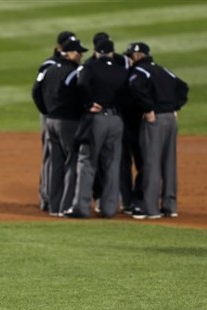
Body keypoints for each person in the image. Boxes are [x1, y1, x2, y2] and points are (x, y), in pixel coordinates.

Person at [64, 39, 129, 218]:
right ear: (112, 52)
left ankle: (81, 208)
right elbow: (127, 94)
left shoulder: (90, 67)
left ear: (96, 52)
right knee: (112, 164)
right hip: (116, 120)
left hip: (96, 120)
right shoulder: (121, 70)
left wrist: (90, 103)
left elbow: (81, 84)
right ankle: (109, 209)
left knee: (87, 162)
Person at [124, 42, 189, 219]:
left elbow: (137, 89)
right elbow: (182, 87)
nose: (129, 59)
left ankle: (150, 208)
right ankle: (170, 206)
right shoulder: (163, 70)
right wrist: (174, 106)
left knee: (151, 164)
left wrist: (148, 109)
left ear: (137, 56)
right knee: (169, 162)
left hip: (155, 120)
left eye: (130, 56)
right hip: (170, 119)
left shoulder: (139, 72)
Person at [32, 37, 88, 216]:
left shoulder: (49, 69)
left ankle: (54, 207)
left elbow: (36, 91)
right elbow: (81, 97)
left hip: (50, 121)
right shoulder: (74, 72)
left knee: (55, 163)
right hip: (68, 122)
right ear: (69, 53)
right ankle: (66, 206)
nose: (80, 55)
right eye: (78, 52)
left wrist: (46, 110)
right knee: (71, 162)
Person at [85, 32, 132, 214]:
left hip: (98, 119)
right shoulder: (123, 63)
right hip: (120, 118)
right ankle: (120, 200)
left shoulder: (89, 65)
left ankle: (101, 198)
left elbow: (82, 88)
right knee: (118, 160)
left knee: (96, 160)